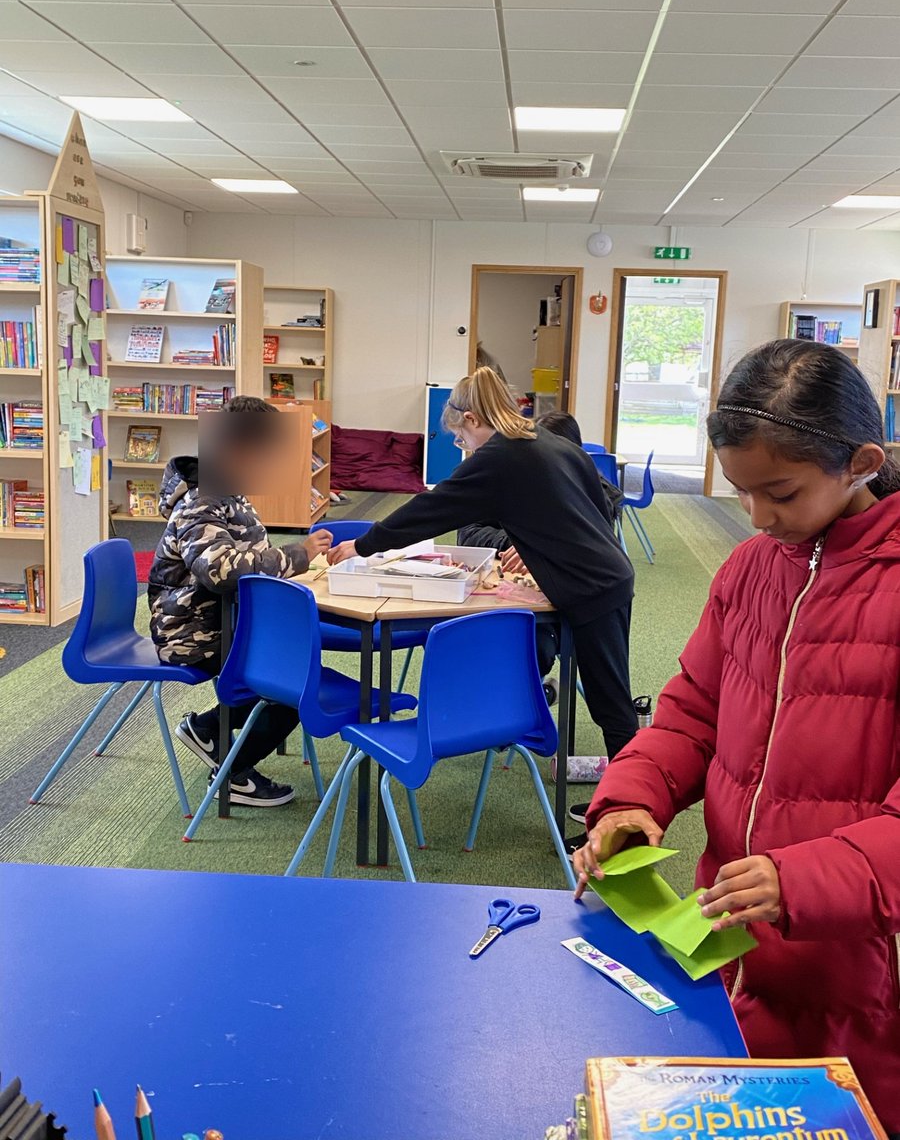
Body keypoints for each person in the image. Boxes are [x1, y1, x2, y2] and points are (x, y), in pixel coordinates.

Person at [573, 338, 900, 1132]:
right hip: (728, 934)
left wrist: (806, 881)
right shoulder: (754, 567)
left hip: (855, 963)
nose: (755, 517)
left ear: (859, 461)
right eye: (742, 493)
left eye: (779, 493)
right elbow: (691, 712)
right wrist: (631, 797)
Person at [329, 367, 638, 766]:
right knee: (609, 698)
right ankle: (625, 804)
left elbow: (428, 511)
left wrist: (363, 545)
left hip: (592, 587)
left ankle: (627, 815)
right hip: (608, 573)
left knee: (611, 705)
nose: (463, 446)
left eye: (460, 437)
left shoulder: (498, 457)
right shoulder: (539, 437)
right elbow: (599, 501)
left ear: (472, 420)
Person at [147, 396, 332, 807]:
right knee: (294, 684)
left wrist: (296, 559)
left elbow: (250, 558)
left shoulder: (232, 494)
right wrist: (297, 555)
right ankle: (230, 771)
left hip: (228, 621)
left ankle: (210, 731)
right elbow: (222, 572)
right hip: (192, 631)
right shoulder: (201, 502)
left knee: (298, 669)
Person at [457, 409, 624, 705]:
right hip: (501, 592)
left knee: (533, 645)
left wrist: (538, 544)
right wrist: (514, 542)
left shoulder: (596, 493)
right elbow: (467, 532)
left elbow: (587, 544)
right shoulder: (512, 474)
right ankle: (522, 700)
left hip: (568, 607)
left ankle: (528, 702)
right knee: (467, 640)